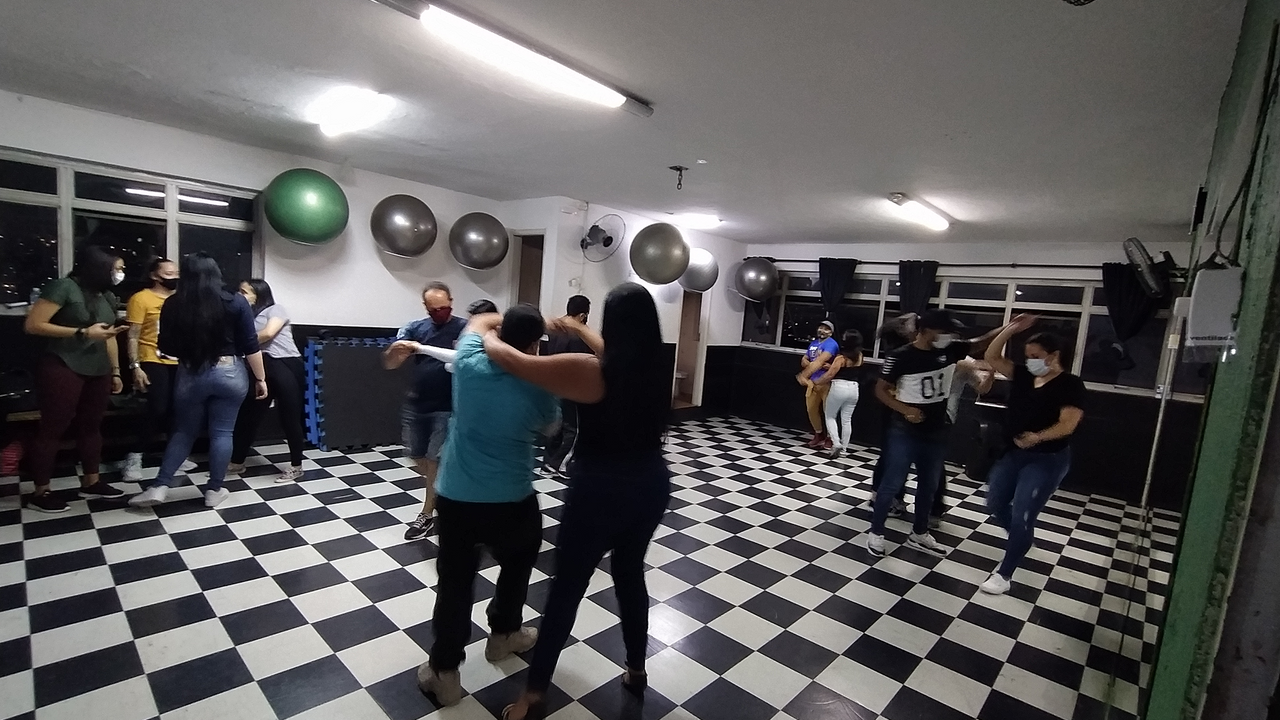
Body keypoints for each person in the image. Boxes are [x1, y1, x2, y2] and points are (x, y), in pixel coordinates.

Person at [484, 283, 671, 720]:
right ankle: (637, 669)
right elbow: (615, 351)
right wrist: (575, 327)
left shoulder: (591, 371)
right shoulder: (653, 368)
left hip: (600, 491)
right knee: (629, 576)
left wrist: (487, 334)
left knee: (566, 589)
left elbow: (516, 361)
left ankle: (533, 695)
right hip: (650, 485)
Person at [415, 305, 560, 707]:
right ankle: (504, 635)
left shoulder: (469, 362)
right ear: (534, 344)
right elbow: (550, 427)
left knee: (455, 582)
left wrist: (495, 330)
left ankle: (444, 672)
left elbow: (478, 323)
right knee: (518, 564)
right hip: (512, 496)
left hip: (457, 495)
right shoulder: (539, 383)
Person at [128, 253, 267, 509]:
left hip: (191, 371)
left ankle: (160, 486)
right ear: (216, 273)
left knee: (183, 431)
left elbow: (165, 346)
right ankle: (214, 490)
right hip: (229, 371)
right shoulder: (235, 301)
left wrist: (192, 353)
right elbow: (250, 345)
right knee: (222, 432)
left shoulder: (173, 303)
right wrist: (260, 378)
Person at [867, 309, 984, 558]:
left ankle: (919, 533)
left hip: (936, 430)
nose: (947, 336)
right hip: (904, 430)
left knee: (929, 485)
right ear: (927, 330)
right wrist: (905, 409)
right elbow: (880, 390)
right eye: (943, 331)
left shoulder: (950, 351)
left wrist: (1010, 328)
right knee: (892, 482)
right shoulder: (902, 356)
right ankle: (876, 533)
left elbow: (978, 344)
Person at [980, 322, 1085, 595]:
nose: (1030, 361)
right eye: (1027, 356)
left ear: (1054, 355)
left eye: (1036, 356)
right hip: (1014, 453)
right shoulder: (1024, 376)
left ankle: (1004, 574)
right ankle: (1022, 539)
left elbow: (1068, 424)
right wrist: (1011, 329)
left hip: (1046, 459)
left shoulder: (1070, 385)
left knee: (1023, 513)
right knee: (995, 502)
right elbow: (991, 356)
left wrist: (1038, 437)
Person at [22, 246, 129, 512]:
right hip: (63, 364)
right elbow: (33, 325)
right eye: (117, 269)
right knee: (53, 427)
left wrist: (115, 370)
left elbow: (109, 336)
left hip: (98, 368)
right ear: (98, 268)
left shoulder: (106, 296)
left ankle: (91, 482)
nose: (120, 274)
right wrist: (81, 332)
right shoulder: (63, 287)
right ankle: (41, 491)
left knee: (92, 426)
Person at [383, 282, 467, 540]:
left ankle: (427, 512)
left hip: (447, 405)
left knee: (434, 460)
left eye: (443, 307)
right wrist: (396, 351)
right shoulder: (415, 328)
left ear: (451, 301)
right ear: (426, 308)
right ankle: (443, 490)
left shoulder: (464, 328)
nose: (440, 312)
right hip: (417, 403)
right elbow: (391, 364)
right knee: (416, 455)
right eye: (434, 309)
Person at [121, 257, 196, 481]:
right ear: (154, 275)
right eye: (169, 274)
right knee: (158, 407)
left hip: (179, 360)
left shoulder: (182, 299)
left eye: (176, 273)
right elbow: (132, 335)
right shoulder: (141, 298)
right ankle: (134, 456)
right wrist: (135, 366)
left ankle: (175, 456)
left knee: (178, 410)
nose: (174, 278)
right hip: (152, 358)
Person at [228, 279, 307, 482]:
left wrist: (239, 341)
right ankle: (237, 462)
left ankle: (296, 466)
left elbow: (268, 333)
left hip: (285, 363)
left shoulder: (275, 309)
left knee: (289, 417)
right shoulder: (245, 315)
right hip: (261, 367)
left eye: (245, 292)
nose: (240, 295)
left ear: (259, 295)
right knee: (249, 416)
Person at [539, 295, 591, 477]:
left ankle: (547, 463)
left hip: (554, 385)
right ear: (583, 315)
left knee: (558, 426)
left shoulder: (555, 330)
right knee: (574, 429)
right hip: (571, 387)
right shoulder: (579, 335)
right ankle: (559, 464)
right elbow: (583, 364)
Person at [813, 329, 863, 459]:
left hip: (839, 387)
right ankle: (844, 450)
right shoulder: (860, 356)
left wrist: (816, 382)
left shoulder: (841, 358)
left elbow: (830, 375)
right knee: (847, 420)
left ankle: (836, 443)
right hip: (854, 388)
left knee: (830, 416)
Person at [797, 320, 838, 449]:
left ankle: (830, 437)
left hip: (826, 382)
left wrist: (808, 369)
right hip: (812, 382)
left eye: (826, 329)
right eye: (821, 327)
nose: (822, 330)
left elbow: (821, 361)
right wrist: (812, 365)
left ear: (831, 332)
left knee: (828, 412)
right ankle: (818, 434)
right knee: (811, 409)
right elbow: (804, 360)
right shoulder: (813, 343)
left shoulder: (831, 344)